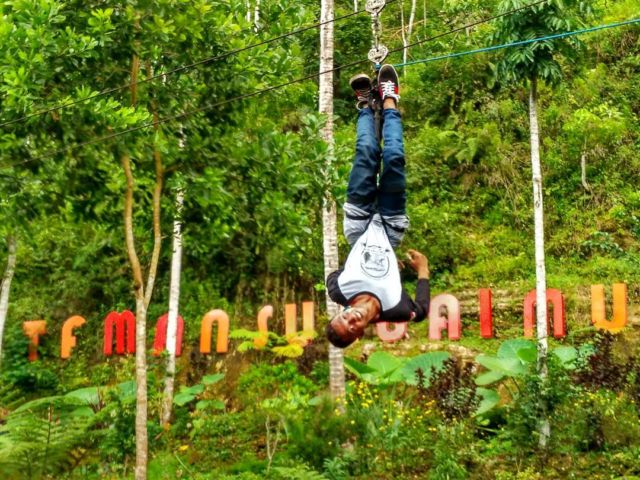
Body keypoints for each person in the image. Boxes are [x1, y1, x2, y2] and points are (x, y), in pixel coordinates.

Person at [325, 64, 430, 349]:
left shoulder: (340, 291)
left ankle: (364, 105)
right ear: (358, 334)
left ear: (341, 311)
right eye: (351, 327)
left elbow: (332, 276)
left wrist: (364, 259)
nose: (351, 319)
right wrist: (422, 270)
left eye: (343, 318)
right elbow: (421, 311)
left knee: (368, 154)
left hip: (358, 224)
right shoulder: (394, 308)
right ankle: (388, 99)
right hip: (390, 225)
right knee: (394, 157)